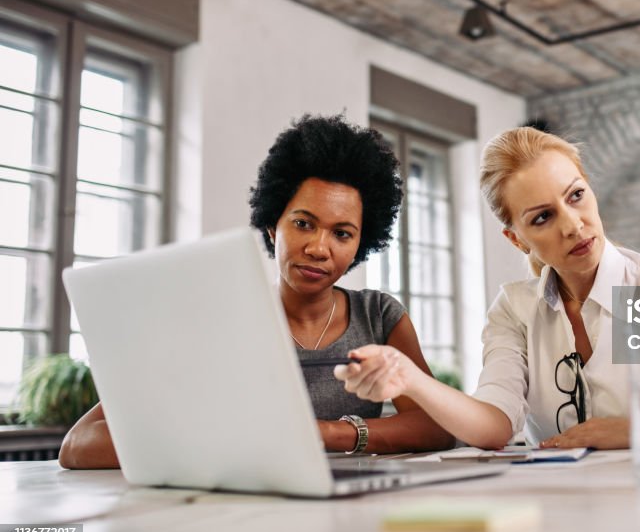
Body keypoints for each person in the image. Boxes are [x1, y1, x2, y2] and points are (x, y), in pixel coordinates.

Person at [335, 127, 640, 450]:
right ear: (517, 238)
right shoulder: (515, 308)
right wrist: (411, 379)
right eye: (542, 218)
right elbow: (493, 425)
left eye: (576, 196)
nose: (573, 226)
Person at [58, 115, 454, 468]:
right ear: (272, 226)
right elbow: (79, 443)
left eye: (342, 233)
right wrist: (227, 443)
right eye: (303, 224)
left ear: (359, 246)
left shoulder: (378, 316)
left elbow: (435, 426)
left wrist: (326, 434)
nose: (319, 247)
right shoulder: (218, 320)